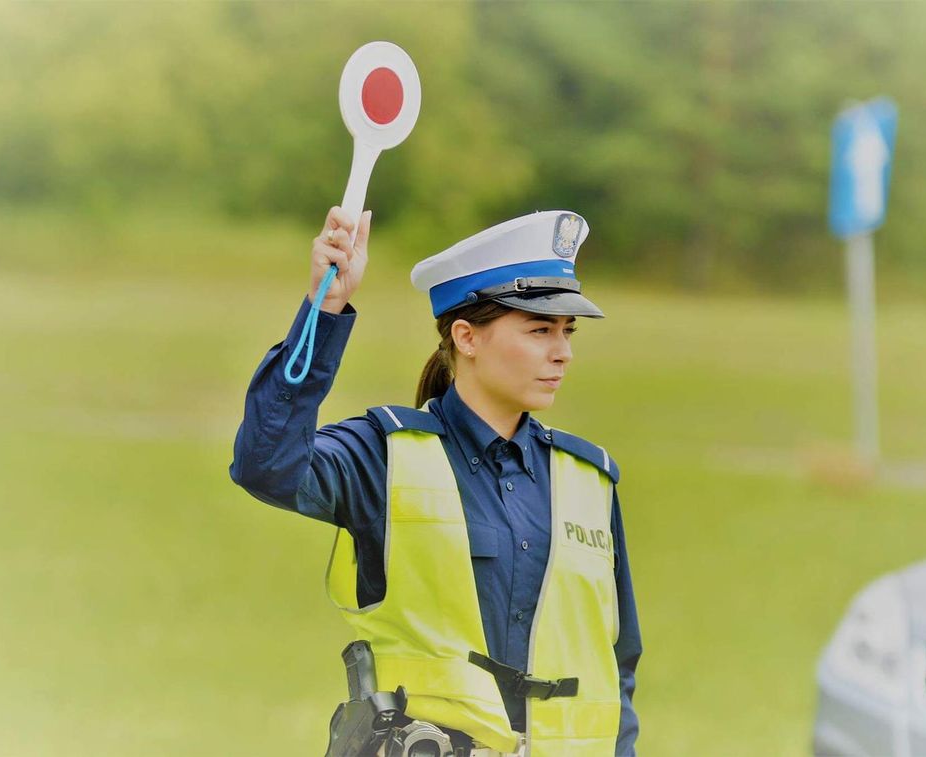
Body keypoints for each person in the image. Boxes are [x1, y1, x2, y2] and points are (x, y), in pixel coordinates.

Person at [229, 205, 642, 756]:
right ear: (467, 337)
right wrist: (323, 312)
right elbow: (266, 466)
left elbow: (616, 666)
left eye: (567, 331)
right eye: (540, 330)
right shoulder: (383, 454)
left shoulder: (588, 479)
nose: (562, 352)